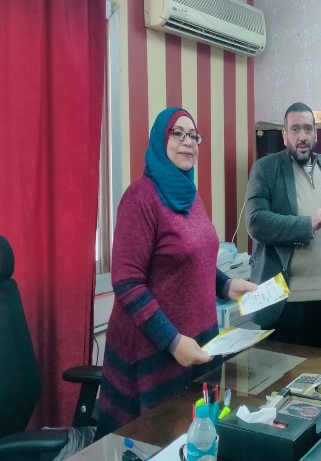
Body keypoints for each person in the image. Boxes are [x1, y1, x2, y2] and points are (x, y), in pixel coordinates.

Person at [96, 107, 257, 437]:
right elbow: (127, 281)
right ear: (160, 140)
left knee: (197, 439)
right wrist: (171, 341)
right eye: (177, 133)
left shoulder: (189, 195)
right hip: (155, 351)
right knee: (156, 442)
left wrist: (226, 285)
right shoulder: (140, 198)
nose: (188, 142)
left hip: (199, 345)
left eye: (193, 136)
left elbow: (195, 258)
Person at [245, 102, 321, 352]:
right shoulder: (266, 168)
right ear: (284, 134)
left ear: (316, 133)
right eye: (295, 129)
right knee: (289, 376)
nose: (302, 136)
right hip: (290, 305)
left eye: (308, 129)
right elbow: (256, 222)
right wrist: (306, 224)